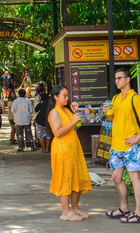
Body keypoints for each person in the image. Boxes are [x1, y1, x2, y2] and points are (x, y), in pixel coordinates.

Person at [103, 69, 140, 224]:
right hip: (116, 145)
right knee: (116, 177)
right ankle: (124, 208)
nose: (117, 81)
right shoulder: (116, 98)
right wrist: (107, 112)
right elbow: (113, 119)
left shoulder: (136, 99)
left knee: (134, 178)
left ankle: (138, 214)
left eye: (119, 78)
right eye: (115, 79)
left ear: (128, 79)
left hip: (132, 146)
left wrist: (138, 136)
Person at [47, 85, 92, 221]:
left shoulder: (66, 110)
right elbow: (57, 132)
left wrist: (74, 113)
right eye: (64, 96)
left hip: (72, 147)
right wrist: (73, 120)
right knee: (64, 178)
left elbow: (76, 126)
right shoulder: (54, 112)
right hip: (62, 149)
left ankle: (75, 208)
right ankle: (65, 212)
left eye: (67, 95)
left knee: (75, 176)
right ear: (56, 97)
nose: (67, 98)